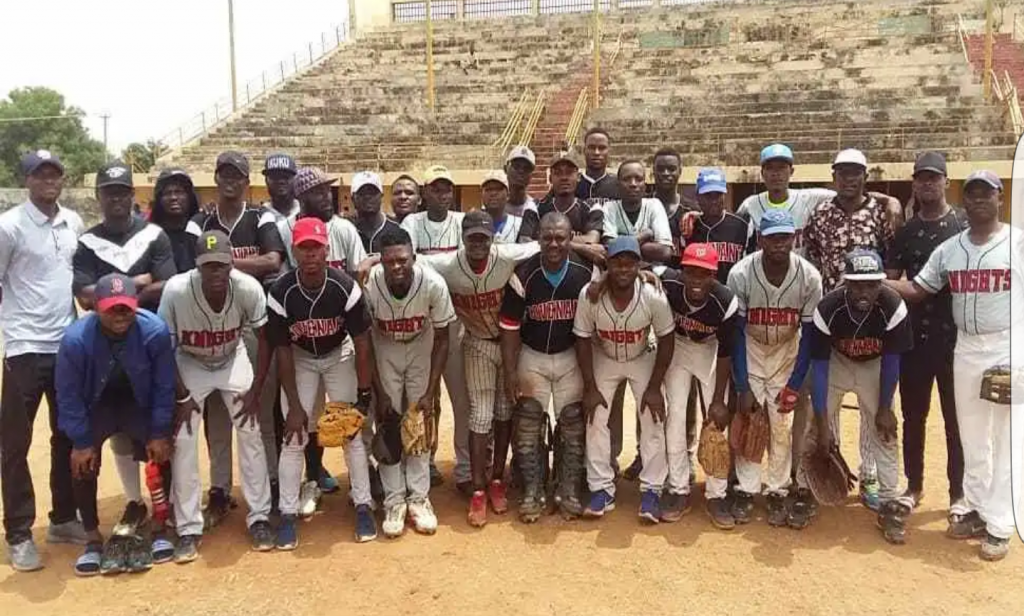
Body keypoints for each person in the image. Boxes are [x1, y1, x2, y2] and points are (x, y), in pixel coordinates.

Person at [886, 170, 1022, 561]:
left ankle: (1000, 524)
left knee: (1007, 436)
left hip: (1007, 344)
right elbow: (918, 289)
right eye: (973, 193)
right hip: (966, 347)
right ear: (965, 199)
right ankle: (976, 509)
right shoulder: (951, 248)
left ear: (1000, 198)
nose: (979, 199)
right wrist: (874, 279)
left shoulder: (1017, 243)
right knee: (972, 434)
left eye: (987, 193)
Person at [72, 160, 177, 536]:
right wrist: (140, 281)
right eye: (109, 192)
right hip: (105, 346)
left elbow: (168, 283)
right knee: (117, 430)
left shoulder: (153, 234)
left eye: (122, 191)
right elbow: (84, 294)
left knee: (156, 424)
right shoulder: (88, 241)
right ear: (98, 196)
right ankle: (134, 502)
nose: (115, 198)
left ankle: (165, 505)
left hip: (149, 342)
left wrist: (116, 292)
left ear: (132, 194)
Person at [159, 231, 275, 562]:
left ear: (231, 264)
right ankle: (188, 527)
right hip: (190, 361)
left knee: (250, 431)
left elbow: (265, 339)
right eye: (208, 266)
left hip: (231, 358)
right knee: (184, 438)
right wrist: (182, 397)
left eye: (221, 265)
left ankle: (259, 516)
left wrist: (256, 389)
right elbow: (164, 349)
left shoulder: (247, 287)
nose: (215, 272)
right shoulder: (177, 290)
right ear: (197, 266)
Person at [418, 211, 539, 526]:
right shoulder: (448, 263)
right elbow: (412, 259)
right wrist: (373, 259)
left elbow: (545, 245)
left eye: (483, 238)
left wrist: (587, 248)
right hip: (477, 343)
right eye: (472, 238)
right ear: (462, 238)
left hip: (511, 344)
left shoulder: (506, 254)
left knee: (505, 412)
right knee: (481, 415)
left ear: (492, 239)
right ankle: (478, 487)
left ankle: (497, 479)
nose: (478, 244)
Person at [267, 217, 379, 548]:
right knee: (294, 435)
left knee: (350, 432)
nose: (311, 254)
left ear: (327, 250)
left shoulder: (345, 287)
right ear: (294, 251)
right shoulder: (281, 292)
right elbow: (282, 350)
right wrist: (294, 406)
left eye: (316, 247)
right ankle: (288, 512)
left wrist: (363, 394)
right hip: (300, 357)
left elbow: (362, 343)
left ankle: (363, 505)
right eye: (304, 248)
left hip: (338, 354)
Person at [0, 150, 87, 571]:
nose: (49, 180)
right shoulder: (9, 226)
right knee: (15, 442)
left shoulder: (73, 222)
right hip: (24, 347)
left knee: (66, 435)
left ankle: (63, 518)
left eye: (55, 174)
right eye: (41, 174)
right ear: (27, 180)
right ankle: (19, 533)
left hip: (66, 344)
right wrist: (9, 333)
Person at [189, 151, 286, 526]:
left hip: (254, 319)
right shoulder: (201, 220)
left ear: (247, 181)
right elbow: (192, 264)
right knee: (218, 414)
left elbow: (273, 261)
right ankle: (219, 490)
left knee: (262, 408)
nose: (231, 180)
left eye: (238, 175)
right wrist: (247, 264)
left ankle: (272, 482)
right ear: (216, 177)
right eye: (224, 173)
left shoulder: (260, 217)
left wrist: (221, 263)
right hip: (214, 321)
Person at [55, 274, 175, 576]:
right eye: (112, 309)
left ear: (136, 305)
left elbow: (164, 386)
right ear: (96, 307)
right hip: (97, 405)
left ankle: (160, 526)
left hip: (137, 402)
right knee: (82, 461)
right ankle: (93, 538)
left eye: (126, 308)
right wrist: (81, 441)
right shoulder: (75, 340)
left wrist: (159, 431)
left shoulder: (155, 331)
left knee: (162, 450)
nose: (120, 315)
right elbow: (67, 396)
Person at [803, 149, 899, 509]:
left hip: (872, 318)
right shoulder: (820, 214)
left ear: (865, 177)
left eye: (855, 172)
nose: (849, 178)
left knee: (871, 406)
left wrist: (882, 300)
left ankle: (870, 475)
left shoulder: (881, 212)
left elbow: (892, 260)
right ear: (833, 177)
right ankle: (832, 465)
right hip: (834, 320)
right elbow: (812, 257)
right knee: (827, 402)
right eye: (842, 172)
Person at [797, 249, 914, 544]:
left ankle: (888, 501)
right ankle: (803, 490)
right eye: (857, 285)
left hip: (875, 365)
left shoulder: (892, 306)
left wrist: (885, 407)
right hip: (837, 363)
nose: (864, 292)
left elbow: (892, 361)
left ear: (881, 284)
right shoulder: (828, 308)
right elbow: (819, 368)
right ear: (846, 283)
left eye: (871, 284)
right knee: (813, 426)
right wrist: (823, 423)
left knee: (885, 430)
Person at [728, 210, 822, 528]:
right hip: (751, 348)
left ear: (793, 238)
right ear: (761, 239)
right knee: (751, 419)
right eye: (772, 237)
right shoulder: (741, 273)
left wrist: (795, 383)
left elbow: (810, 335)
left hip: (786, 351)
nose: (779, 243)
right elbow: (737, 333)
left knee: (781, 423)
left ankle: (778, 489)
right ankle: (746, 488)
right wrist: (742, 385)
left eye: (784, 237)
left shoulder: (809, 277)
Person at [883, 152, 967, 512]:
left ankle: (958, 493)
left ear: (946, 181)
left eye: (934, 177)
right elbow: (891, 280)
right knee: (914, 417)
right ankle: (913, 485)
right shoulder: (905, 232)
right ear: (914, 184)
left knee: (956, 421)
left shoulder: (963, 225)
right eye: (922, 178)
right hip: (915, 338)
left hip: (956, 340)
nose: (928, 183)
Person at [499, 211, 594, 521]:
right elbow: (509, 327)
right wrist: (510, 372)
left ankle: (567, 488)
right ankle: (533, 489)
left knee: (573, 422)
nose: (554, 244)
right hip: (533, 354)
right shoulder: (523, 273)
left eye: (560, 238)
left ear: (571, 239)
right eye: (547, 238)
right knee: (528, 422)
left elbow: (620, 274)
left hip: (570, 355)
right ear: (538, 239)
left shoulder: (585, 272)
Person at [574, 236, 675, 522]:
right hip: (604, 356)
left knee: (653, 415)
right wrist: (590, 387)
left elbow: (667, 339)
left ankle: (652, 490)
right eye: (617, 263)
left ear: (639, 266)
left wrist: (654, 387)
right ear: (607, 265)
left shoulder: (652, 294)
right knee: (595, 416)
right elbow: (582, 338)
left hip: (642, 355)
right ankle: (601, 489)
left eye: (630, 263)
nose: (623, 269)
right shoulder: (590, 294)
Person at [363, 227, 454, 537]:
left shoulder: (432, 283)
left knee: (418, 421)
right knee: (388, 421)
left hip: (420, 343)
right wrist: (379, 393)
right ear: (381, 261)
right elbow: (364, 341)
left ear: (413, 257)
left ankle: (418, 498)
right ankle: (394, 500)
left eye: (402, 259)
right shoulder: (371, 284)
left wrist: (431, 390)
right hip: (385, 344)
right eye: (390, 261)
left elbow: (443, 338)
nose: (397, 266)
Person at [656, 244, 738, 527]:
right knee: (675, 416)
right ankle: (678, 488)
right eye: (691, 272)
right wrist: (646, 275)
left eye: (704, 274)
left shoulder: (725, 301)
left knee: (716, 422)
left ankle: (717, 494)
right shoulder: (669, 280)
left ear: (714, 275)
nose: (696, 279)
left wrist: (718, 400)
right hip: (678, 346)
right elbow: (643, 269)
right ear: (682, 271)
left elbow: (726, 352)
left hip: (710, 351)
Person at [401, 164, 470, 488]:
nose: (441, 194)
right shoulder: (411, 223)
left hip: (456, 321)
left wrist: (429, 262)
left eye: (446, 189)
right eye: (435, 188)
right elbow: (410, 265)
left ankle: (465, 467)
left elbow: (464, 267)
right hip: (422, 325)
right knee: (426, 397)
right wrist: (447, 265)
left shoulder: (462, 221)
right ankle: (425, 460)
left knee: (461, 400)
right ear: (424, 192)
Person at [520, 152, 606, 266]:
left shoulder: (591, 207)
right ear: (550, 178)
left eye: (569, 172)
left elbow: (592, 240)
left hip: (580, 269)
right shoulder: (535, 207)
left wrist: (545, 241)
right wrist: (581, 247)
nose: (564, 178)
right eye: (558, 173)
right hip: (542, 269)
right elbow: (524, 242)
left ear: (578, 177)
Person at [278, 167, 366, 273]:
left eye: (328, 190)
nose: (327, 197)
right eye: (319, 192)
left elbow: (360, 273)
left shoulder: (345, 229)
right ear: (302, 199)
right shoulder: (283, 231)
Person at [682, 168, 751, 285]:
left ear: (724, 195)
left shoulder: (741, 225)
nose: (714, 201)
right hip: (699, 291)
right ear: (698, 196)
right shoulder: (689, 226)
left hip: (733, 290)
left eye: (718, 195)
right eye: (708, 195)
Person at [602, 159, 674, 264]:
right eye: (626, 179)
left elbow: (665, 252)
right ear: (618, 185)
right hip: (619, 270)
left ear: (645, 184)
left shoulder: (654, 205)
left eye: (639, 179)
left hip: (654, 270)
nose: (633, 184)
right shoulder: (610, 207)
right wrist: (644, 236)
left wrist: (622, 245)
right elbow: (610, 248)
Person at [148, 168, 201, 275]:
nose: (173, 197)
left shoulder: (201, 227)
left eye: (179, 192)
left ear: (189, 196)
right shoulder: (150, 235)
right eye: (167, 193)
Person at [351, 171, 402, 256]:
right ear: (353, 198)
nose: (367, 197)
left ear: (381, 196)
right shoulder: (346, 230)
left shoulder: (396, 229)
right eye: (362, 193)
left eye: (373, 192)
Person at [650, 147, 689, 257]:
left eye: (671, 169)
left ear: (680, 171)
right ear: (653, 171)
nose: (666, 173)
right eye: (660, 169)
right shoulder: (643, 205)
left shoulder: (691, 210)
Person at [577, 127, 619, 205]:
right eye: (591, 148)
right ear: (584, 150)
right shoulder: (572, 184)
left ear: (609, 152)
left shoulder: (618, 185)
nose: (596, 153)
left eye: (602, 148)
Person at [480, 170, 523, 243]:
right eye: (488, 189)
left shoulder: (519, 225)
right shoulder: (472, 224)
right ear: (481, 194)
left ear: (508, 194)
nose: (493, 193)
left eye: (498, 189)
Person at [260, 153, 299, 222]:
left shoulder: (306, 213)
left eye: (286, 177)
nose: (281, 181)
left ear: (295, 179)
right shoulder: (258, 216)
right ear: (266, 181)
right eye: (275, 177)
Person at [504, 146, 537, 218]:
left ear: (532, 175)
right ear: (506, 169)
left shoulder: (536, 210)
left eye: (526, 168)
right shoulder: (495, 208)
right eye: (516, 166)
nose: (521, 171)